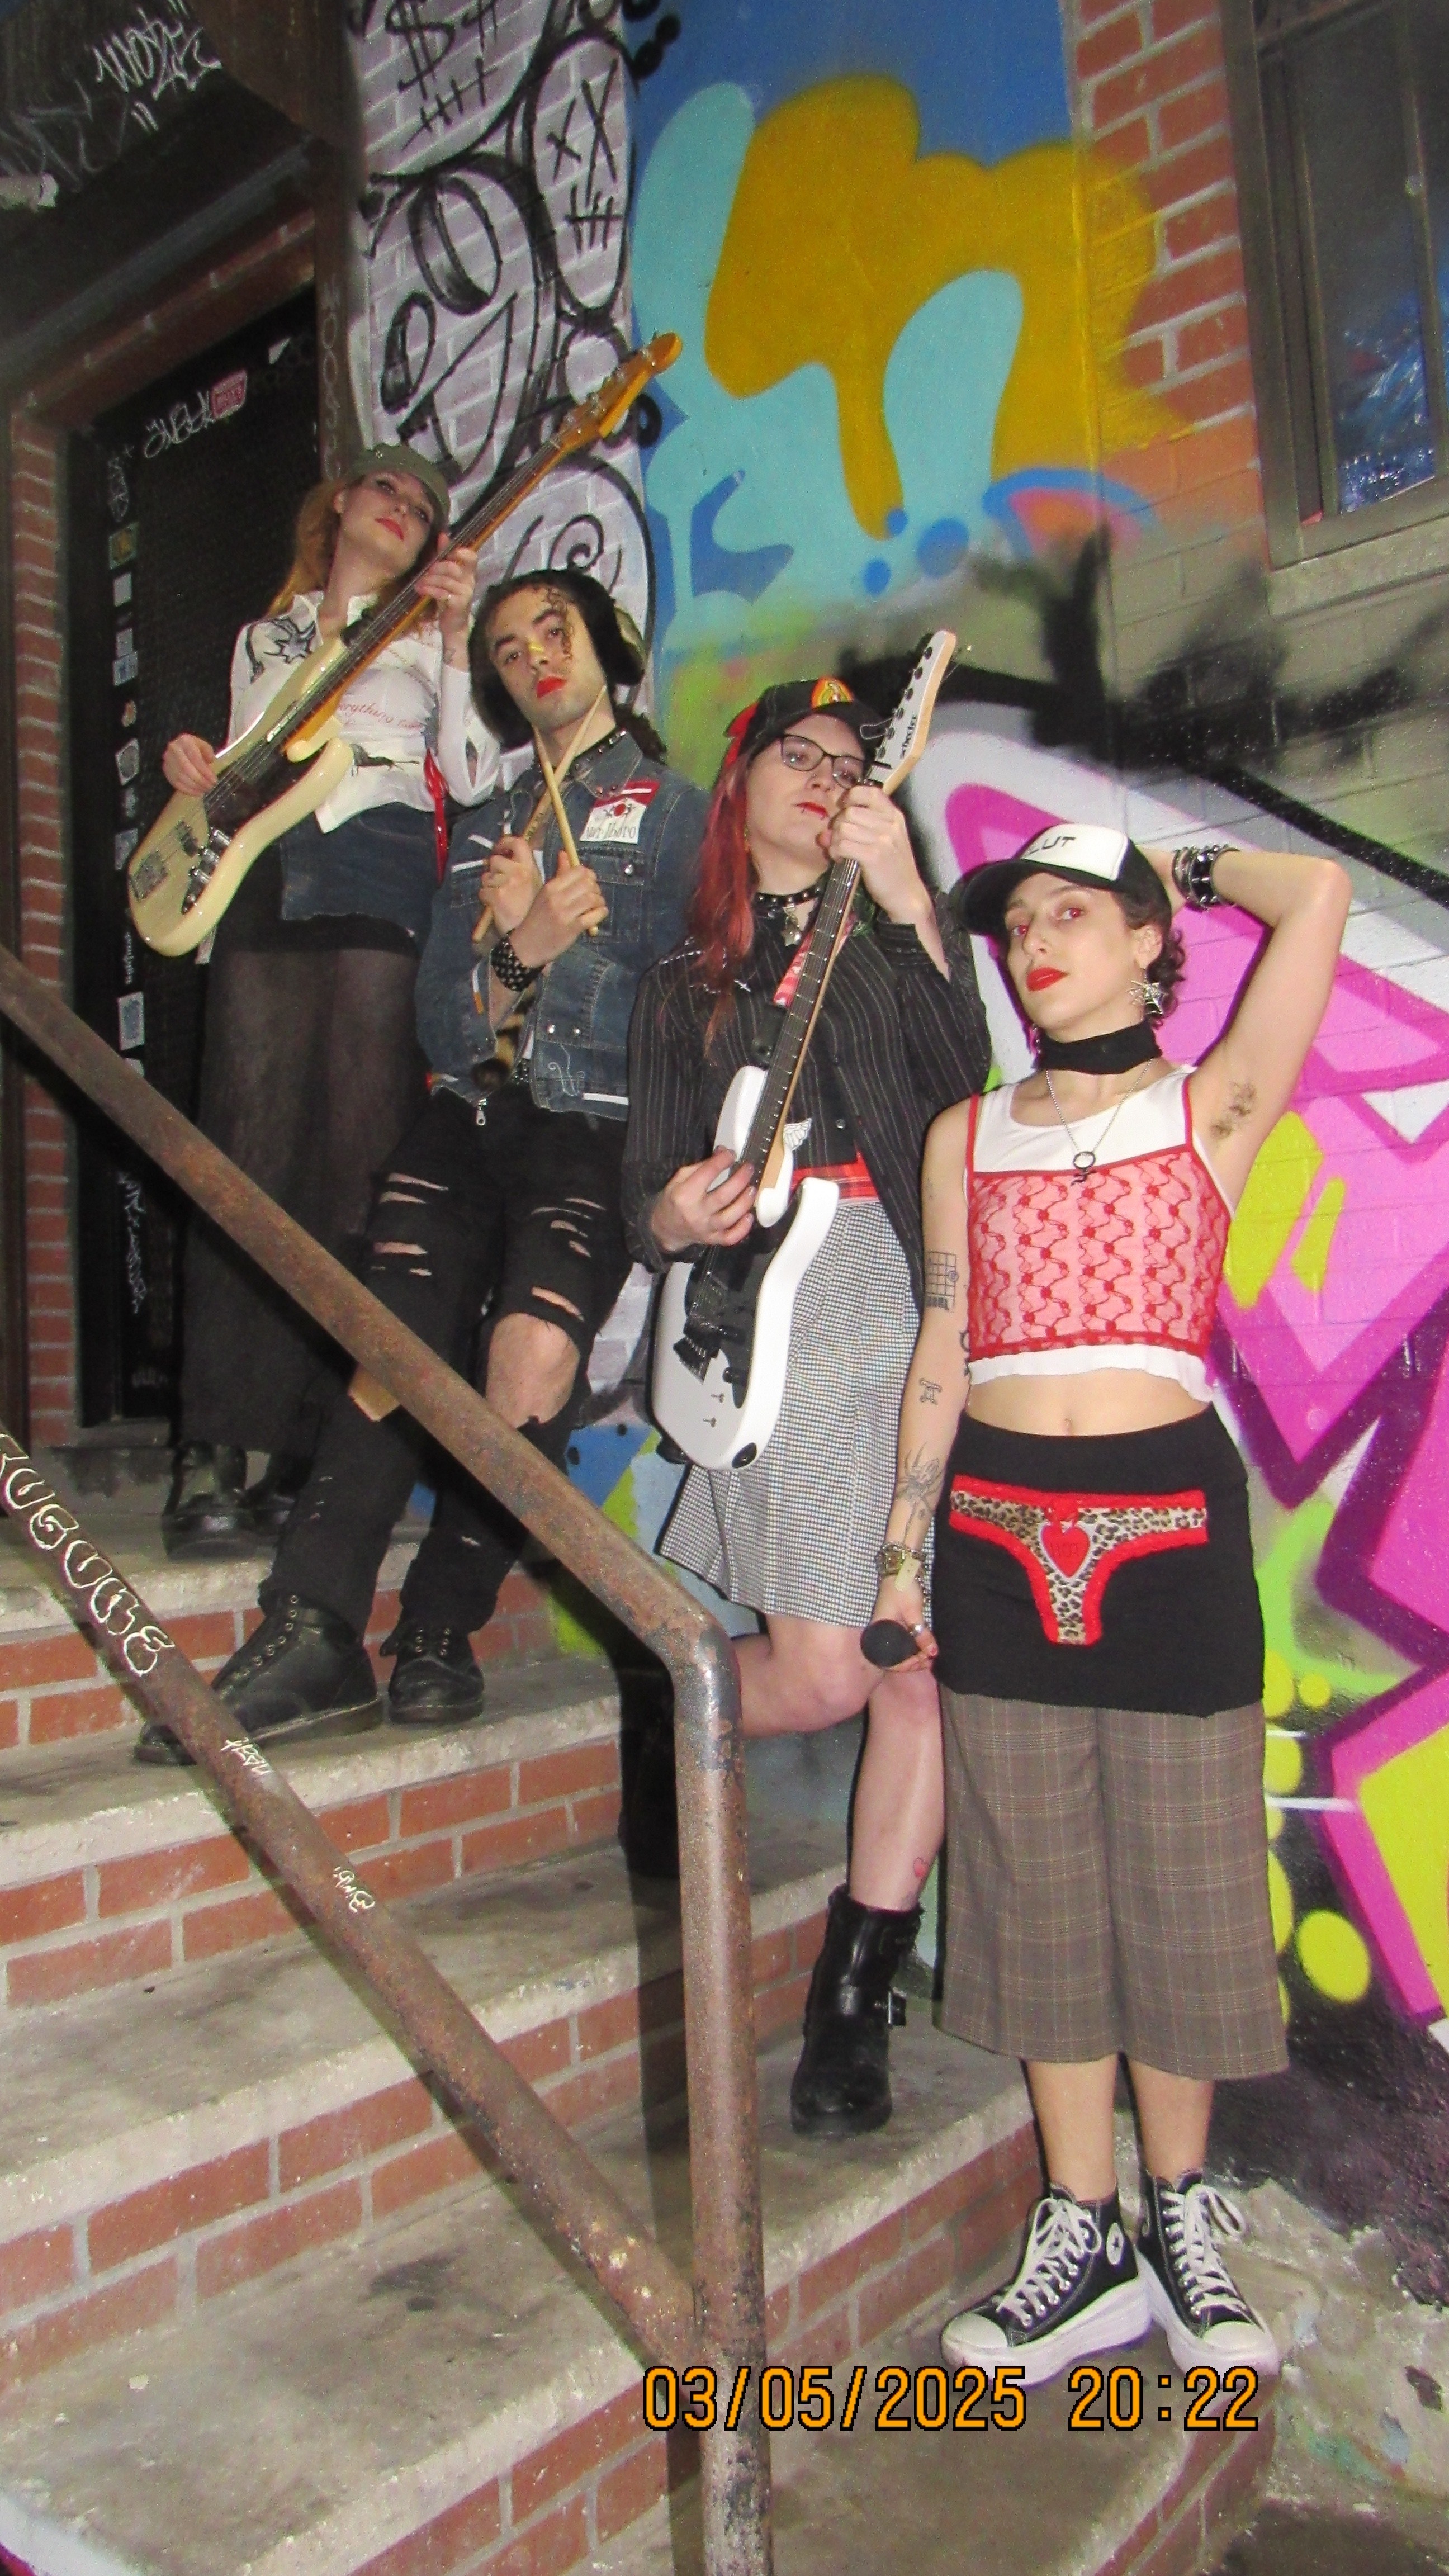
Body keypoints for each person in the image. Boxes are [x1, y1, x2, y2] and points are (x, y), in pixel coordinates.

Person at [867, 821, 1351, 2381]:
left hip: (1170, 1532)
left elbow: (1322, 895)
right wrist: (899, 1550)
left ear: (1150, 942)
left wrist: (1180, 865)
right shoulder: (967, 1131)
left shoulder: (1209, 1107)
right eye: (1023, 922)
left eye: (1082, 914)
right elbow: (942, 1342)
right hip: (999, 1531)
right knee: (1032, 1886)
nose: (1042, 941)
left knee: (1188, 1886)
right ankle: (1078, 2232)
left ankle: (1179, 2221)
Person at [137, 568, 706, 1762]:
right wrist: (509, 957)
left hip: (594, 1126)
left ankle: (439, 1625)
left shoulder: (675, 814)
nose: (535, 657)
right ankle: (311, 1624)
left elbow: (680, 999)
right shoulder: (489, 825)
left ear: (606, 647)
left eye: (556, 632)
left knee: (531, 1364)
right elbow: (448, 1031)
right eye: (506, 648)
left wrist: (562, 950)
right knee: (390, 1347)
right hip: (469, 1119)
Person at [623, 679, 991, 2135]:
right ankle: (672, 1710)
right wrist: (674, 1205)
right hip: (780, 1320)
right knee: (834, 1672)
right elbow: (644, 1194)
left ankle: (853, 2000)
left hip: (917, 1304)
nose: (829, 779)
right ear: (746, 784)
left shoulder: (889, 953)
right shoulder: (682, 987)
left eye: (852, 765)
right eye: (800, 757)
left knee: (920, 1668)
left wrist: (910, 903)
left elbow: (970, 1093)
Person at [162, 444, 496, 1559]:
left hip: (381, 856)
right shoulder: (269, 633)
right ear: (344, 504)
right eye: (388, 490)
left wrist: (455, 637)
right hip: (266, 868)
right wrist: (193, 764)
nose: (404, 509)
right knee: (244, 1145)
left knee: (358, 1161)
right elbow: (245, 761)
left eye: (424, 506)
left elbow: (474, 765)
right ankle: (211, 1450)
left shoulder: (426, 631)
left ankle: (316, 1451)